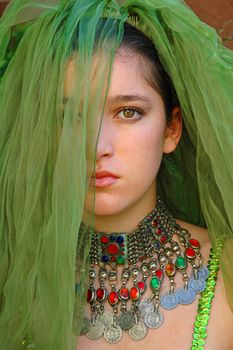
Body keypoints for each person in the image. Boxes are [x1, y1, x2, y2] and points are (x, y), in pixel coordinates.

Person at [0, 1, 233, 350]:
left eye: (128, 112)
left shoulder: (227, 272)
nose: (97, 146)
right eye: (69, 116)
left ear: (172, 129)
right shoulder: (14, 275)